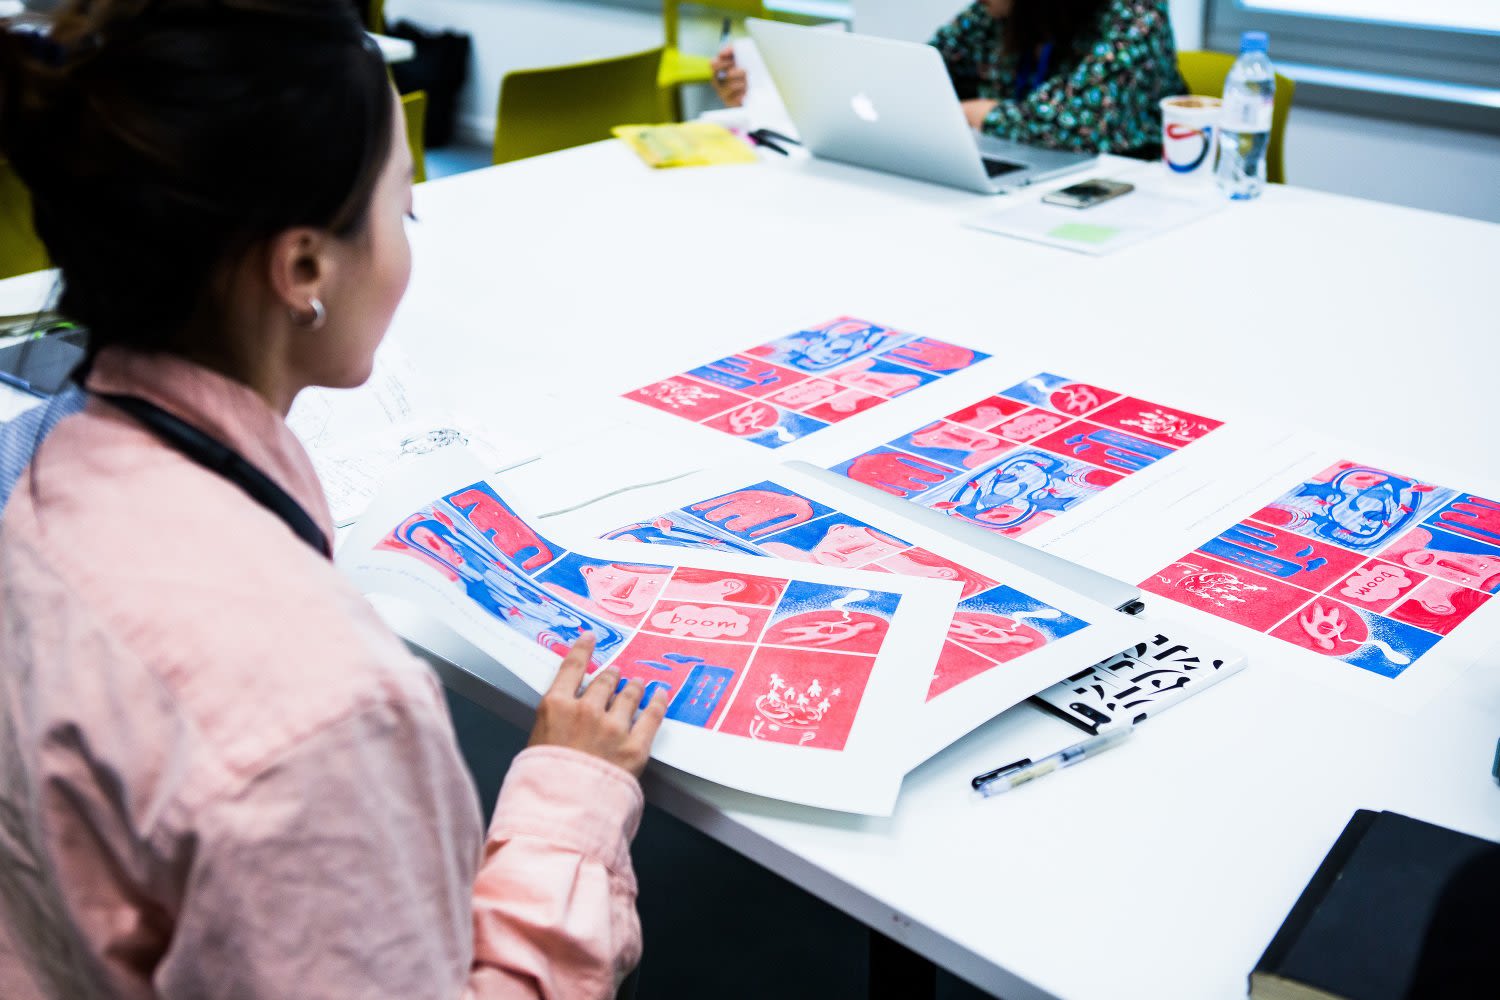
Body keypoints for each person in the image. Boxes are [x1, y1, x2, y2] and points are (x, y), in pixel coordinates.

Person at [0, 2, 665, 997]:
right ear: (305, 266)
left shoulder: (36, 479)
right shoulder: (325, 709)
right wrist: (569, 801)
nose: (406, 243)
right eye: (404, 210)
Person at [712, 0, 1186, 157]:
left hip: (1126, 190)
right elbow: (908, 74)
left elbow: (1076, 123)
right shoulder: (998, 14)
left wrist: (981, 112)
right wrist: (768, 84)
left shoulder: (1135, 14)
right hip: (1016, 184)